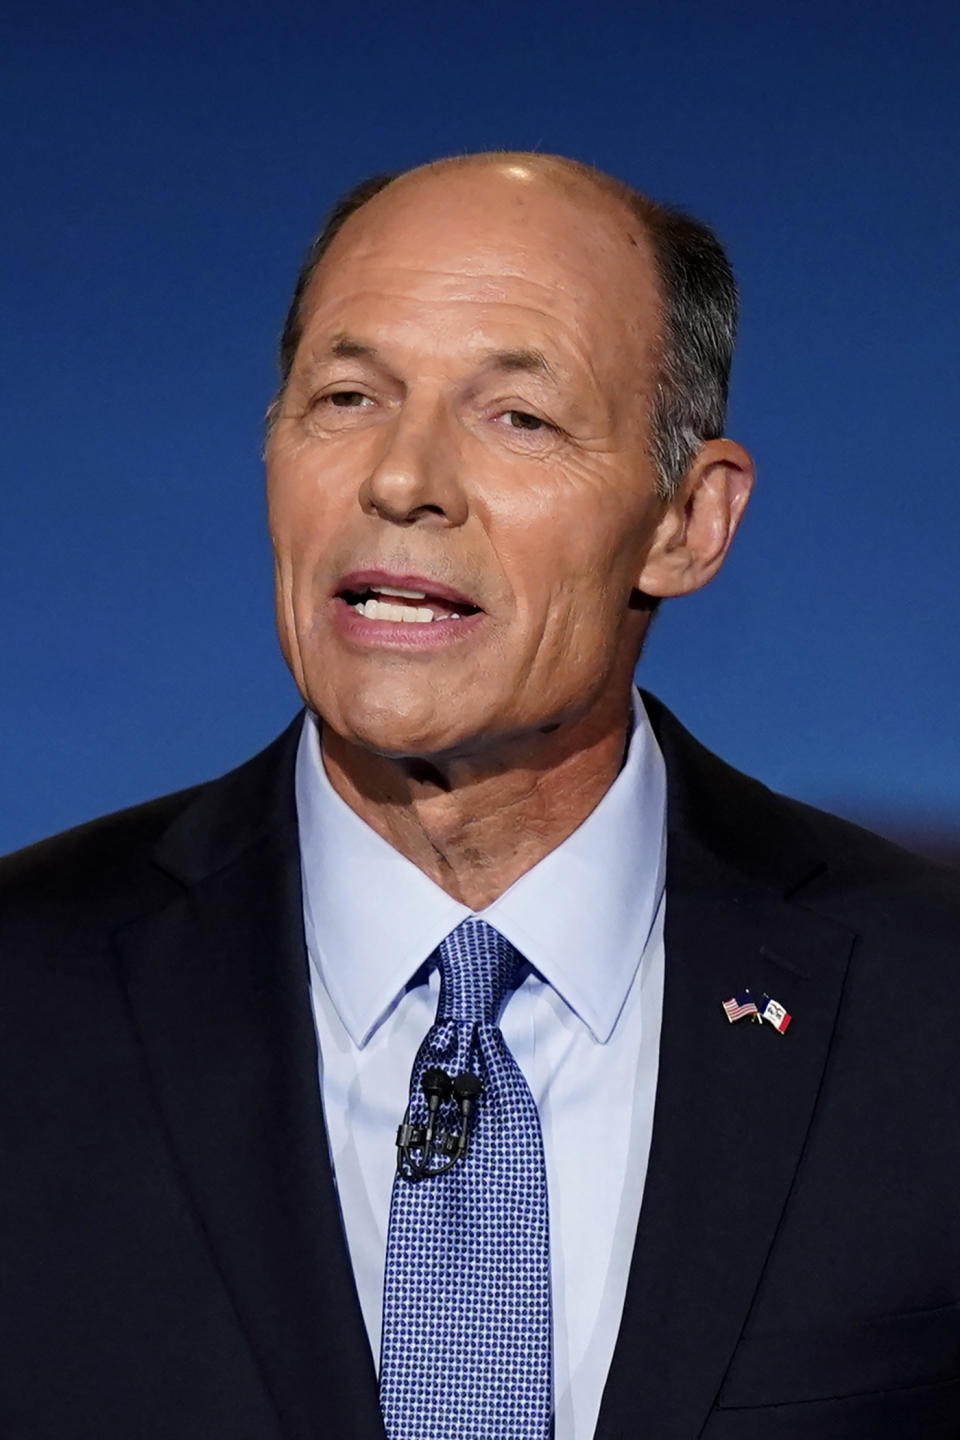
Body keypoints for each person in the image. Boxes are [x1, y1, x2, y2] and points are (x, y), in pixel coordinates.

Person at [2, 152, 958, 1440]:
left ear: (688, 520)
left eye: (519, 417)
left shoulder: (928, 1007)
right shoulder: (25, 996)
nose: (402, 481)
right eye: (345, 397)